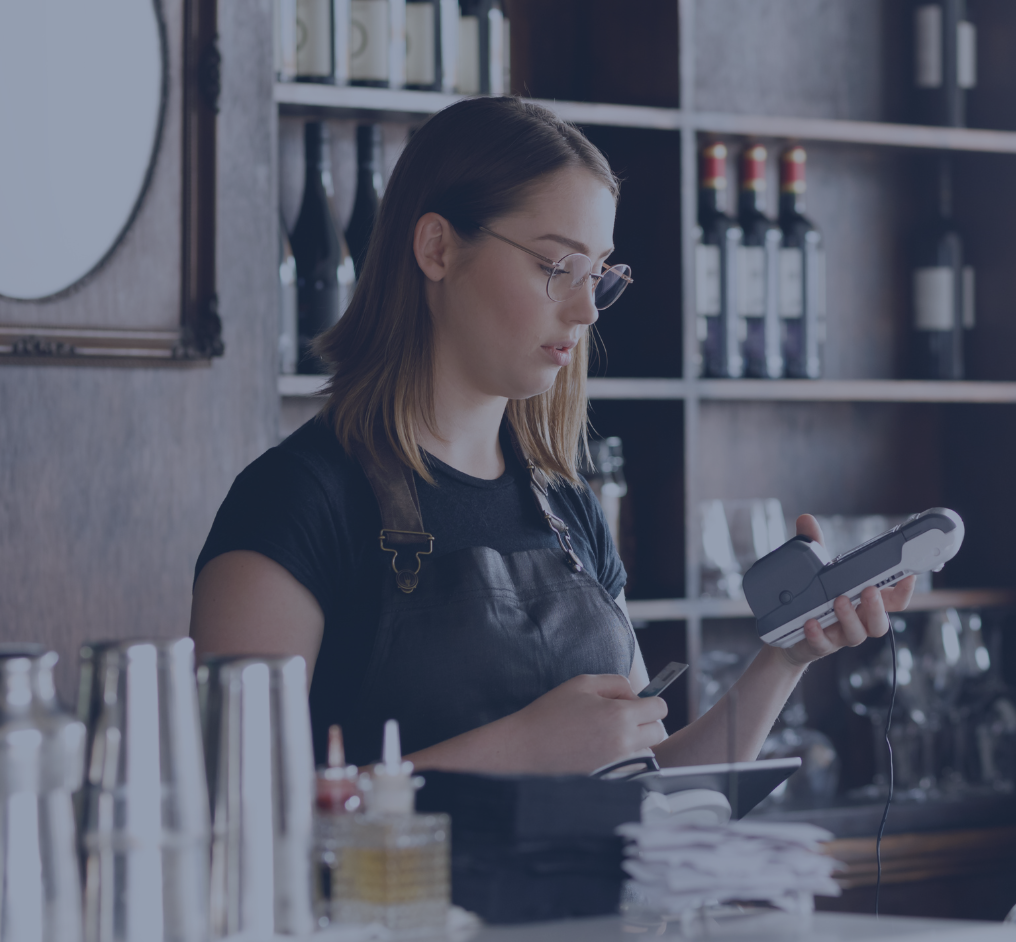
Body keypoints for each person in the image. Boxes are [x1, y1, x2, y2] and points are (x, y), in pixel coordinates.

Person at [191, 98, 911, 772]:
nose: (588, 310)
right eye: (558, 266)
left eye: (598, 275)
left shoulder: (567, 508)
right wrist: (515, 750)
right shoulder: (293, 502)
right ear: (437, 248)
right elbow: (239, 808)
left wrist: (785, 658)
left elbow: (650, 781)